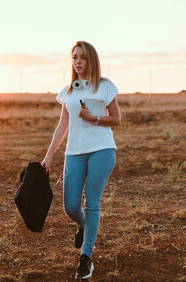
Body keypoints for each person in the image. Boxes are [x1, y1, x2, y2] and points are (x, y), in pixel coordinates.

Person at [41, 41, 121, 280]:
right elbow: (62, 126)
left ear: (91, 60)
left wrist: (94, 118)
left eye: (83, 57)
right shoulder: (69, 91)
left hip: (102, 150)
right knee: (71, 206)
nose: (78, 61)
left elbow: (116, 119)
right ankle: (86, 227)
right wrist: (49, 155)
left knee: (92, 203)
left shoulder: (105, 87)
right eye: (74, 57)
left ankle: (86, 258)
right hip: (74, 152)